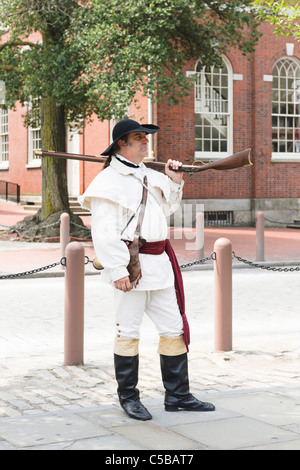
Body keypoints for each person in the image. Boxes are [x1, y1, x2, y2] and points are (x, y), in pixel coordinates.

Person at [79, 119, 215, 420]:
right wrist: (118, 271)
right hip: (132, 266)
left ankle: (178, 395)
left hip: (160, 265)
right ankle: (128, 398)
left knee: (173, 330)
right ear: (121, 146)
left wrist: (174, 180)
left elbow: (165, 209)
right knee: (128, 333)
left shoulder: (150, 176)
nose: (146, 142)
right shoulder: (107, 183)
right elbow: (103, 231)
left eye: (145, 137)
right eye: (138, 138)